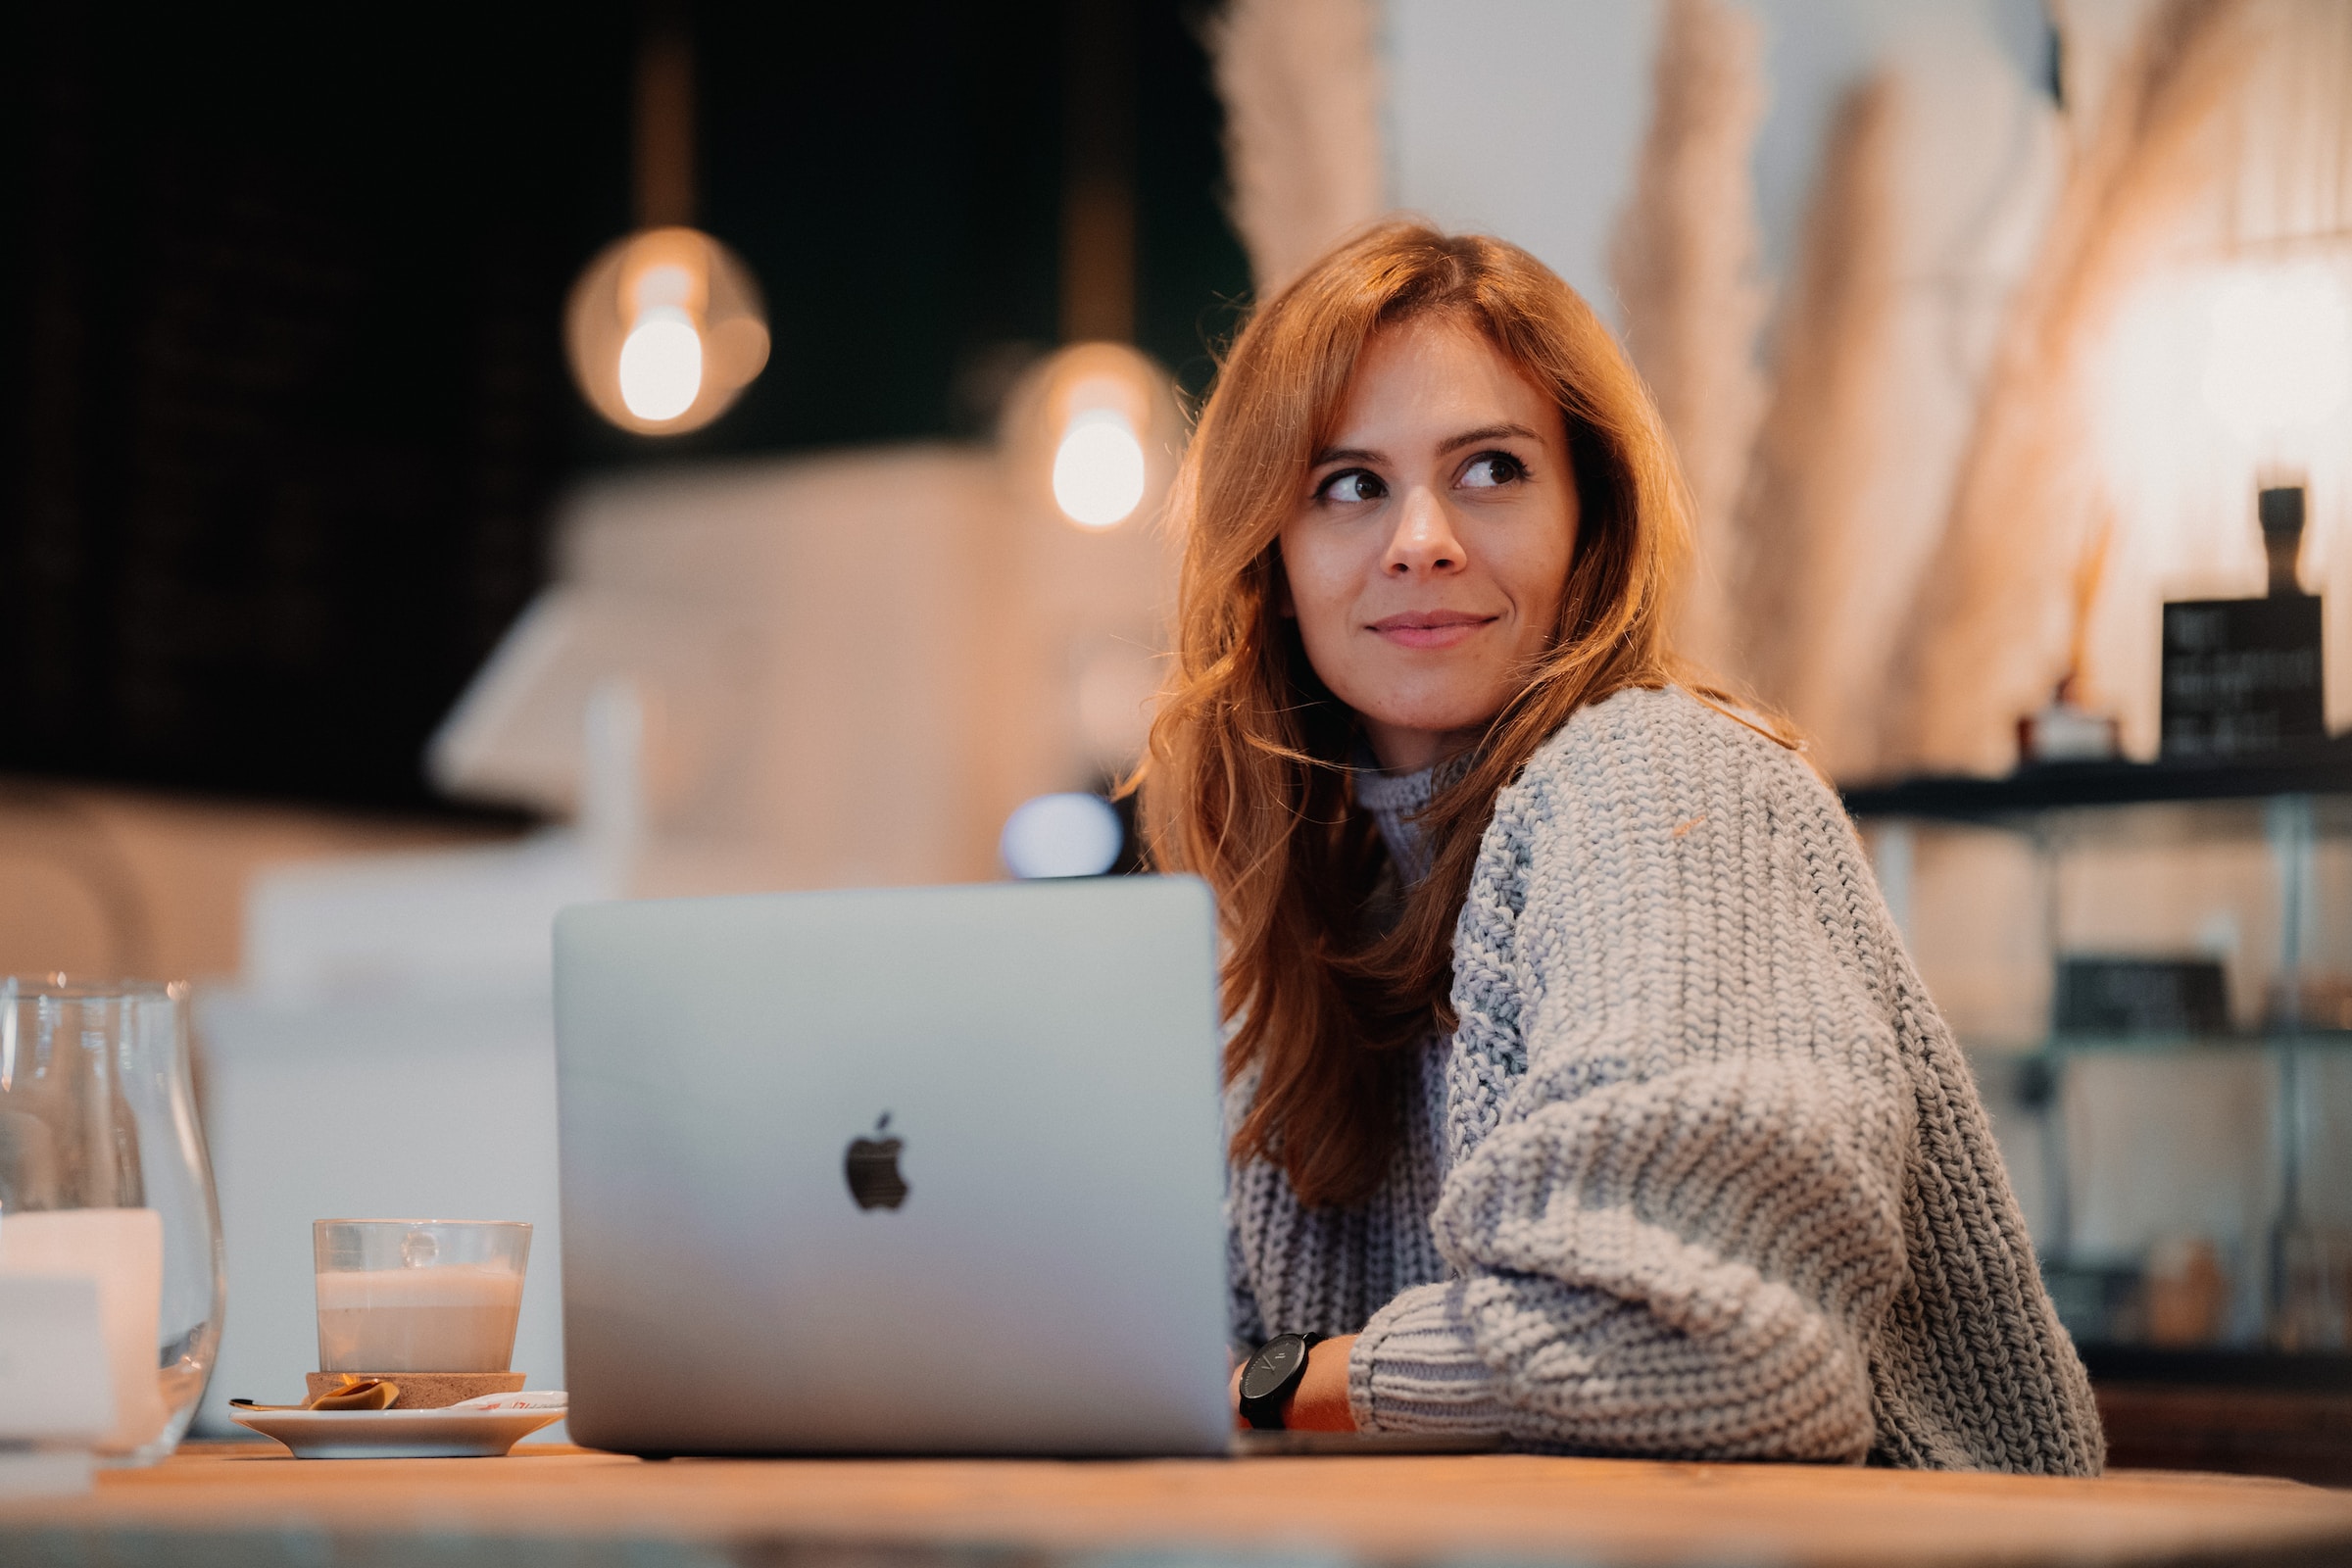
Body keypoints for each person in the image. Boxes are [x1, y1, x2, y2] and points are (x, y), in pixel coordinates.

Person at [1136, 220, 2103, 1471]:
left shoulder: (1656, 780)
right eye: (1349, 484)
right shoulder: (1312, 900)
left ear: (1591, 518)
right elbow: (1171, 1356)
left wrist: (1277, 1387)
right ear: (1268, 558)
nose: (1420, 536)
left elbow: (1695, 1346)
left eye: (1490, 469)